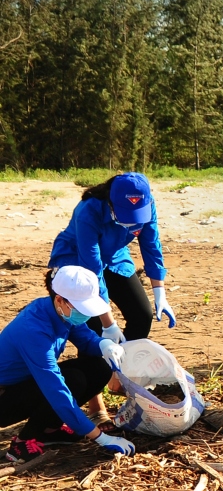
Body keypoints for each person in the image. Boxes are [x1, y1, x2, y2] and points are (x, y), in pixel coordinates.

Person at [1, 267, 135, 461]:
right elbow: (56, 390)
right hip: (4, 398)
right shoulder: (33, 331)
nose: (85, 315)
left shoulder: (60, 312)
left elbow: (85, 337)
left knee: (99, 369)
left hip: (25, 383)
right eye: (81, 308)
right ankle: (23, 443)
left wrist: (104, 345)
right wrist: (100, 437)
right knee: (73, 381)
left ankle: (48, 430)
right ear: (59, 300)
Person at [49, 172, 176, 343]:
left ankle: (124, 363)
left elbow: (151, 246)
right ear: (111, 203)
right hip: (77, 258)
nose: (132, 223)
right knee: (94, 324)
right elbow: (92, 268)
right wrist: (109, 324)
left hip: (115, 256)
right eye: (126, 215)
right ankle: (97, 364)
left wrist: (159, 292)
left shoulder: (147, 203)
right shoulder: (88, 211)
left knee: (142, 315)